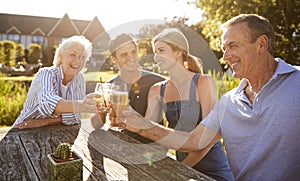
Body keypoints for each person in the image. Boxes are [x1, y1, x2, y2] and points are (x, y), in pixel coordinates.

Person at [117, 14, 300, 180]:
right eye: (224, 49)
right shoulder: (229, 102)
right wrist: (139, 125)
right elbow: (195, 141)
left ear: (261, 44)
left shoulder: (296, 82)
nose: (225, 57)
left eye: (233, 46)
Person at [143, 28, 233, 180]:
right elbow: (149, 132)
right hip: (182, 171)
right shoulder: (157, 90)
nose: (156, 57)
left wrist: (181, 170)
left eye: (161, 50)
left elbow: (209, 138)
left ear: (178, 51)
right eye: (155, 51)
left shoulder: (203, 82)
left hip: (214, 171)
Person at [13, 35, 100, 129]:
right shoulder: (46, 74)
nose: (78, 61)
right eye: (72, 55)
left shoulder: (79, 78)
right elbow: (47, 104)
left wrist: (46, 121)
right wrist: (81, 105)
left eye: (82, 57)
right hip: (22, 130)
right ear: (61, 57)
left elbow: (76, 116)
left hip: (54, 130)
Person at [94, 33, 165, 141]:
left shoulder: (158, 82)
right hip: (119, 142)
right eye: (124, 55)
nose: (131, 58)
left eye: (133, 52)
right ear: (114, 59)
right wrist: (98, 109)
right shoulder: (109, 86)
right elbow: (96, 125)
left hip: (151, 146)